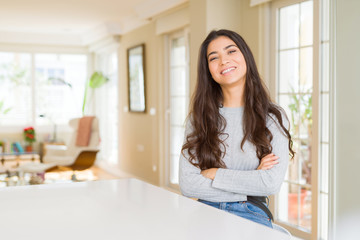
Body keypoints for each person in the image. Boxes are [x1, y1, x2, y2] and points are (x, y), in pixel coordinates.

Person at [179, 29, 295, 228]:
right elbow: (188, 185)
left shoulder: (273, 118)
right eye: (214, 57)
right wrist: (251, 181)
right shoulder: (198, 119)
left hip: (251, 213)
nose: (224, 61)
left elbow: (270, 183)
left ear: (245, 56)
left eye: (231, 51)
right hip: (205, 212)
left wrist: (215, 173)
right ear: (208, 70)